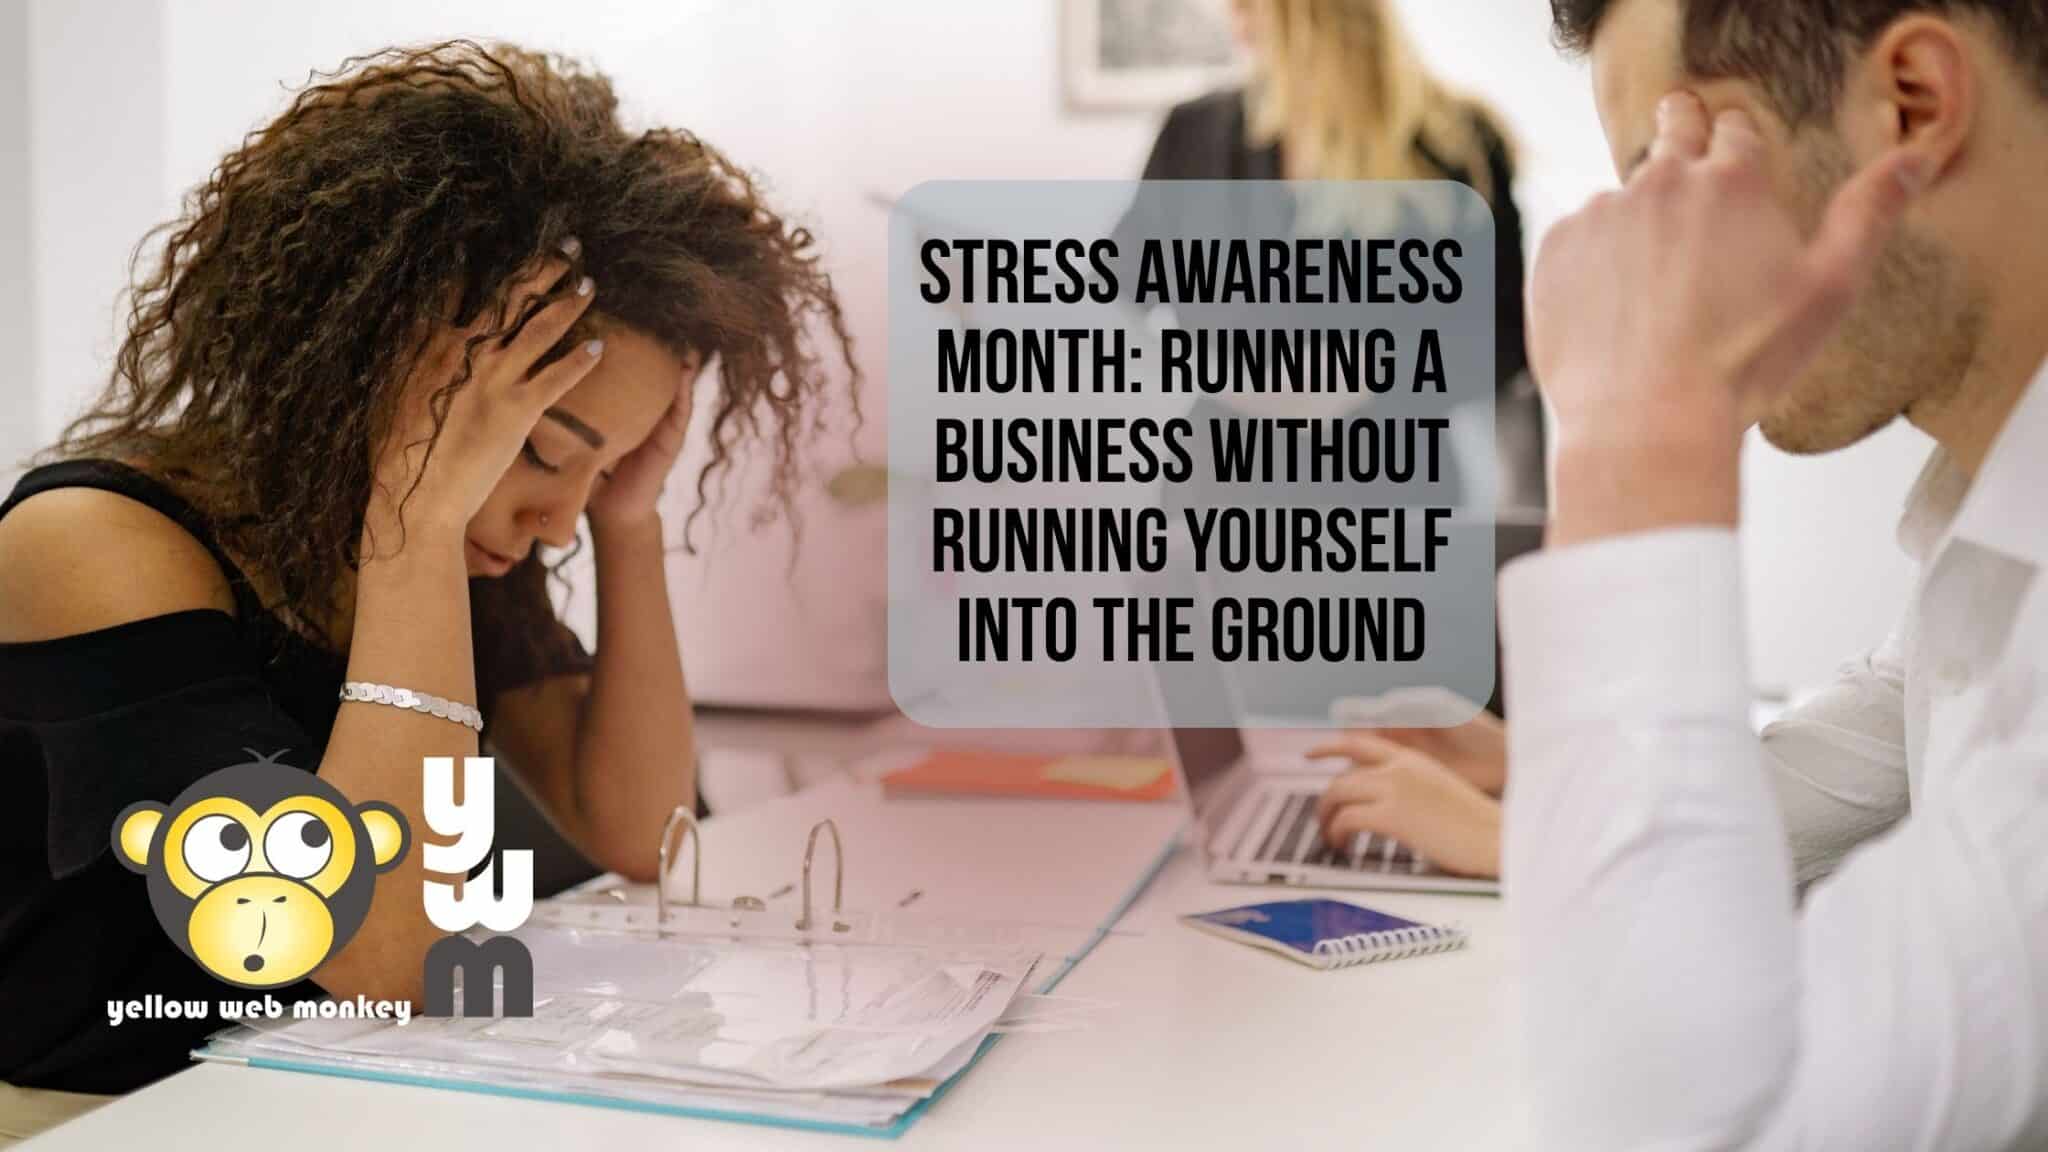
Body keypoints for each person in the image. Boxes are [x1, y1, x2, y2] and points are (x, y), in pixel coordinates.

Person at [0, 39, 854, 1130]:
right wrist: (416, 509)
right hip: (92, 1111)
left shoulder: (461, 558)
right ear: (387, 369)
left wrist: (626, 521)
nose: (558, 523)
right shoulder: (96, 543)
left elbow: (641, 832)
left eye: (599, 470)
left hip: (313, 1084)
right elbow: (384, 952)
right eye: (546, 451)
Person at [1340, 0, 2048, 1145]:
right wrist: (1540, 777)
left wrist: (1635, 432)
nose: (1655, 246)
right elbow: (1861, 759)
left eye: (1683, 172)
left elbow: (1696, 1128)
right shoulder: (1992, 532)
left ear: (1911, 105)